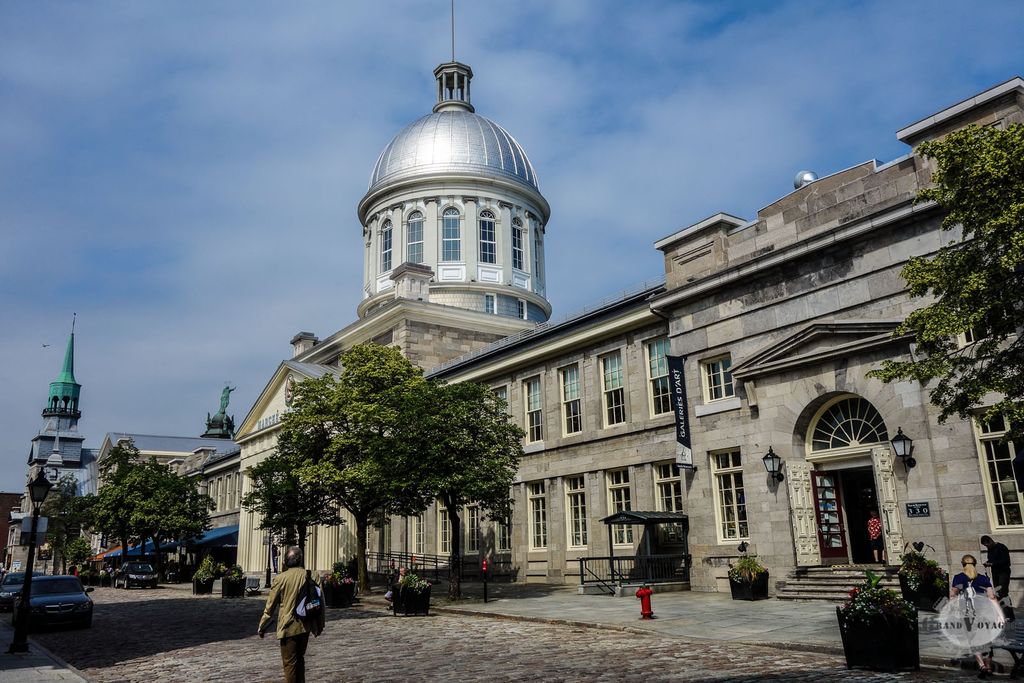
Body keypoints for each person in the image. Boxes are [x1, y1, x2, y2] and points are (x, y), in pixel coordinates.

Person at [258, 546, 325, 683]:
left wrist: (262, 625)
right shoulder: (312, 575)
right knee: (300, 659)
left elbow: (270, 607)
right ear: (300, 560)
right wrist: (319, 625)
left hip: (288, 626)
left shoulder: (281, 579)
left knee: (289, 664)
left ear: (285, 561)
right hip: (305, 625)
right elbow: (320, 603)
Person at [951, 554, 1003, 679]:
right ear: (975, 564)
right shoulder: (983, 579)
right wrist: (999, 614)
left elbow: (953, 596)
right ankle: (989, 667)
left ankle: (982, 665)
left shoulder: (959, 578)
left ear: (963, 565)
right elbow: (992, 597)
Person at [981, 535, 1011, 601]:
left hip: (1003, 572)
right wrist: (987, 563)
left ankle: (1007, 610)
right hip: (995, 572)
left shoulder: (1001, 547)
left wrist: (992, 564)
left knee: (1002, 592)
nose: (987, 547)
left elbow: (1006, 561)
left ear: (991, 541)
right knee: (997, 592)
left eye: (987, 545)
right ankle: (1001, 608)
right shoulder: (990, 549)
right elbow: (991, 559)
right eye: (986, 546)